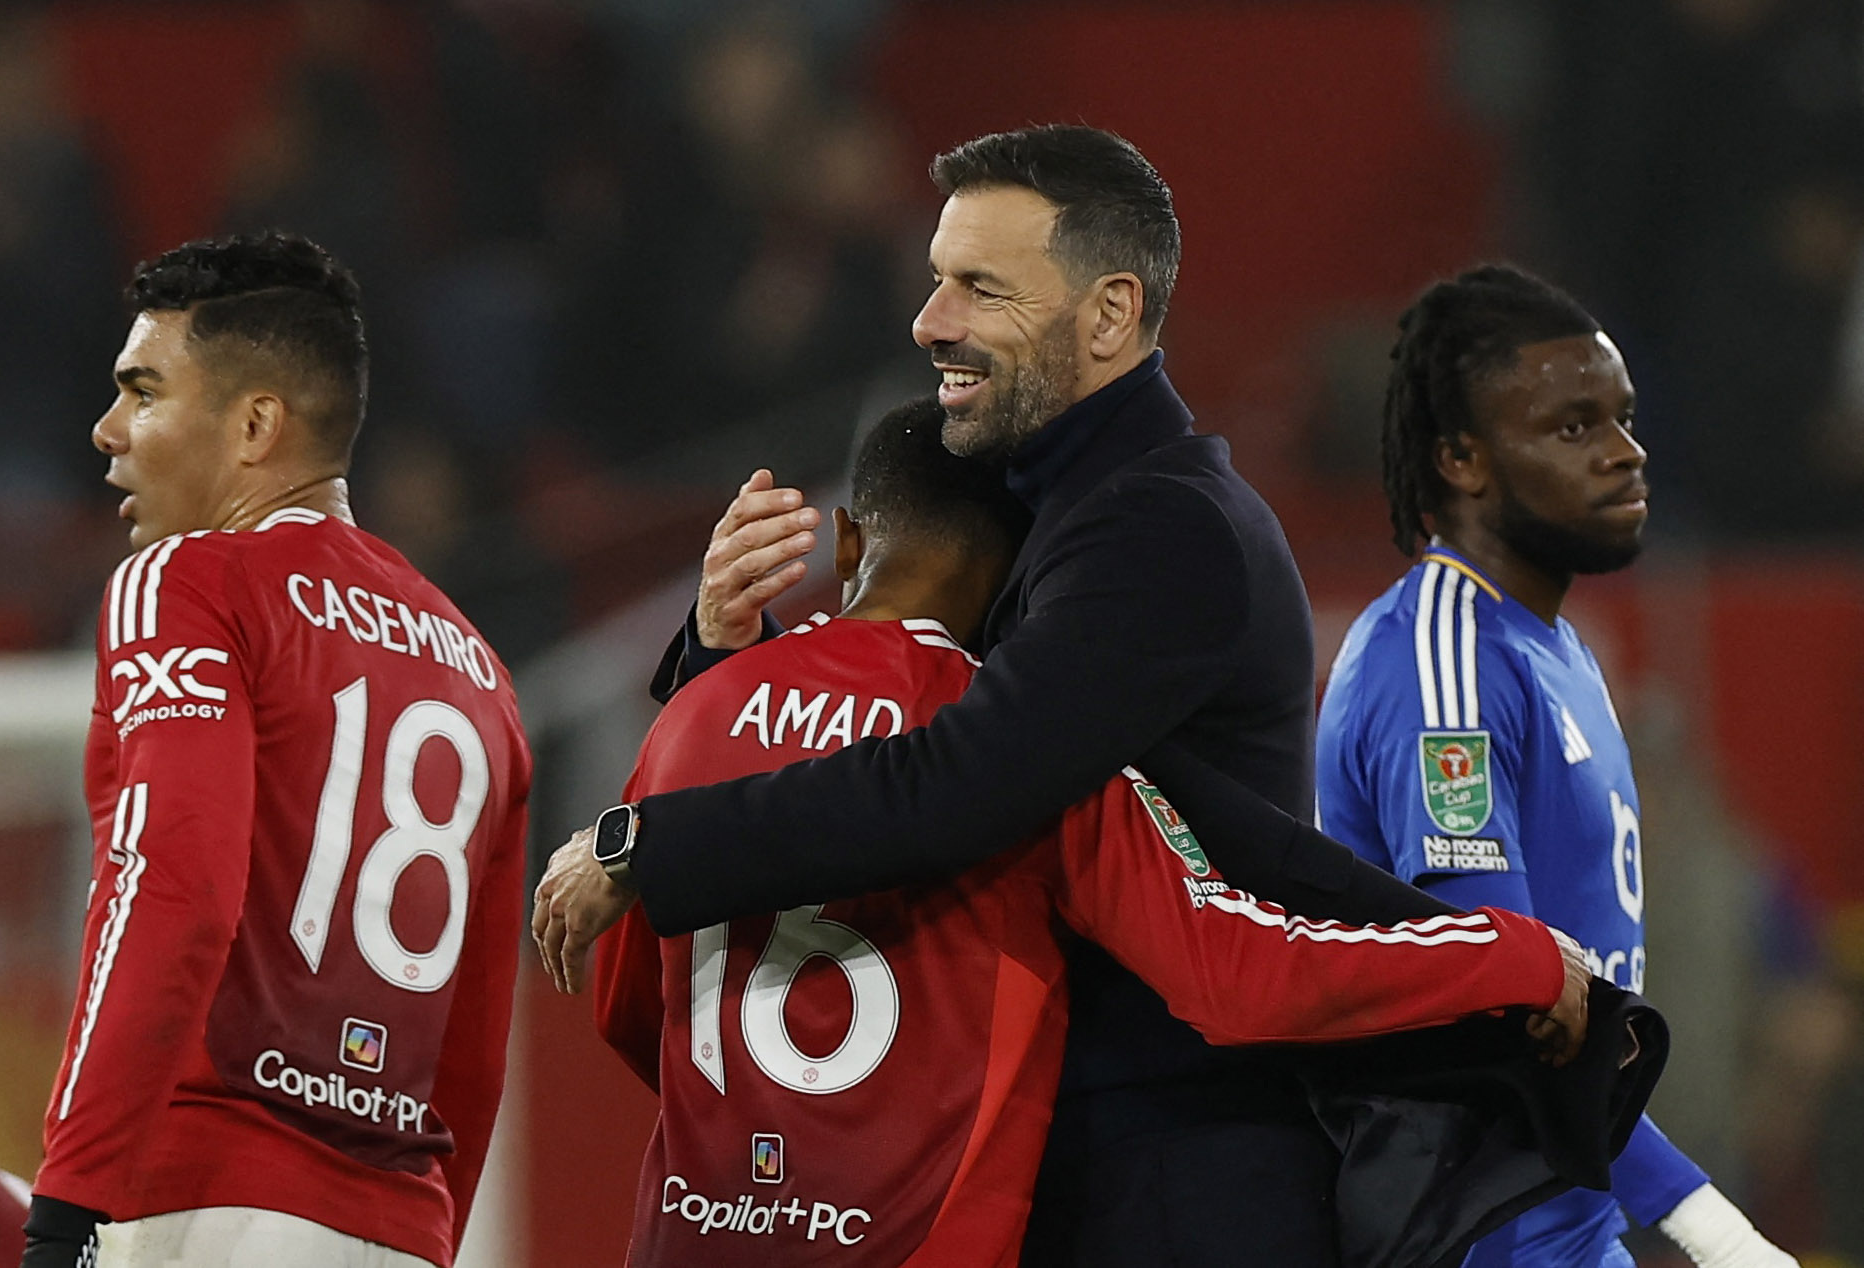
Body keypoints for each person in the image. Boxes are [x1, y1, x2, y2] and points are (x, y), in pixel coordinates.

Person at [535, 124, 1513, 1266]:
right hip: (1068, 1160)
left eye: (978, 288)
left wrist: (645, 842)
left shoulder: (1160, 529)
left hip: (1174, 1177)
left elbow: (959, 783)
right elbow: (906, 753)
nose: (929, 320)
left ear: (1107, 313)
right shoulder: (1039, 514)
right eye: (936, 279)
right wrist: (722, 658)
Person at [591, 396, 1589, 1266]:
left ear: (848, 542)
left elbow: (628, 1004)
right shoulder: (1023, 754)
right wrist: (1514, 952)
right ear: (1029, 570)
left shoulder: (696, 713)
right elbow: (1240, 971)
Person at [21, 233, 530, 1268]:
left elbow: (171, 884)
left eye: (144, 390)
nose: (108, 428)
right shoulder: (478, 668)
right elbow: (477, 1038)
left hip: (202, 1205)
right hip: (404, 1221)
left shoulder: (188, 582)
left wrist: (69, 1201)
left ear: (255, 424)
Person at [1315, 264, 1795, 1268]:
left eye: (1620, 418)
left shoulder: (1550, 645)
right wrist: (1712, 1226)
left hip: (1559, 1213)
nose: (1624, 453)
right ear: (1460, 458)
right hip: (1474, 1223)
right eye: (1573, 427)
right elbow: (1505, 995)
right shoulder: (1438, 655)